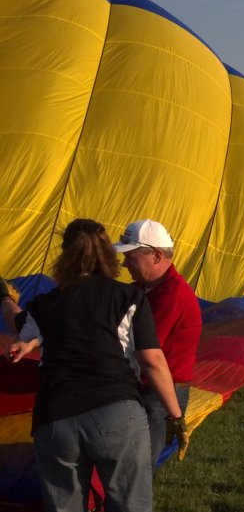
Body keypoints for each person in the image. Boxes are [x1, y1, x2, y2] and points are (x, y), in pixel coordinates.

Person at [3, 218, 186, 512]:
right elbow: (152, 360)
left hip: (55, 417)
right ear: (108, 254)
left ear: (63, 255)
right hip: (116, 410)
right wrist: (176, 415)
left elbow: (21, 323)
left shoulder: (45, 304)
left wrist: (4, 299)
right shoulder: (129, 297)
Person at [113, 219, 202, 469]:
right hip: (146, 385)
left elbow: (147, 353)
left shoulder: (173, 295)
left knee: (138, 467)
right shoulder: (146, 287)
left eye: (130, 257)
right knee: (126, 459)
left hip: (160, 393)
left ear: (156, 255)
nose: (124, 263)